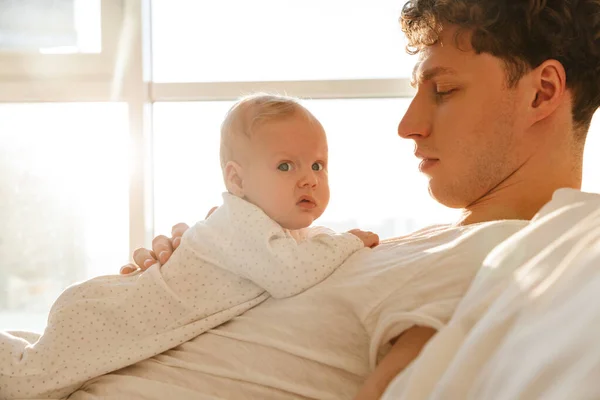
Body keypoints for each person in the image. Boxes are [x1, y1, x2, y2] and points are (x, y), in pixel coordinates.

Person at [80, 0, 598, 398]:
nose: (408, 125)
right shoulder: (433, 247)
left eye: (443, 91)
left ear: (542, 93)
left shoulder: (497, 258)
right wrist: (197, 268)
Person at [0, 94, 378, 399]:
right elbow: (291, 273)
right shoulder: (239, 221)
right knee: (25, 383)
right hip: (107, 317)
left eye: (318, 165)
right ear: (237, 179)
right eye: (285, 166)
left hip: (111, 316)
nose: (308, 180)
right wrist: (349, 241)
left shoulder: (277, 232)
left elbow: (302, 253)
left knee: (38, 363)